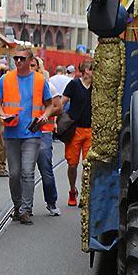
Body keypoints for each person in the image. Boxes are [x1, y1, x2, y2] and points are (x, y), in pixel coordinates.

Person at [0, 48, 55, 224]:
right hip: (12, 132)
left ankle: (25, 210)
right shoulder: (6, 79)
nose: (18, 61)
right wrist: (2, 114)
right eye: (16, 58)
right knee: (14, 173)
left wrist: (45, 116)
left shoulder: (39, 80)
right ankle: (17, 205)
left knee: (27, 172)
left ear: (30, 60)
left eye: (22, 58)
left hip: (32, 133)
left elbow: (49, 104)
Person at [30, 56, 61, 216]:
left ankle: (51, 202)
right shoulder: (20, 84)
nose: (30, 67)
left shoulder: (48, 85)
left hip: (43, 132)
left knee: (45, 168)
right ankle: (23, 207)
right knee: (24, 171)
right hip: (24, 132)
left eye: (33, 65)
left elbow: (58, 107)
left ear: (39, 67)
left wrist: (44, 116)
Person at [61, 59, 93, 206]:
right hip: (75, 129)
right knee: (72, 164)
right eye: (93, 68)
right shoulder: (74, 84)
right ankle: (72, 190)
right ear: (86, 70)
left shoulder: (97, 86)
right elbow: (62, 102)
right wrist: (57, 119)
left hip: (91, 130)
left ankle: (86, 194)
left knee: (89, 165)